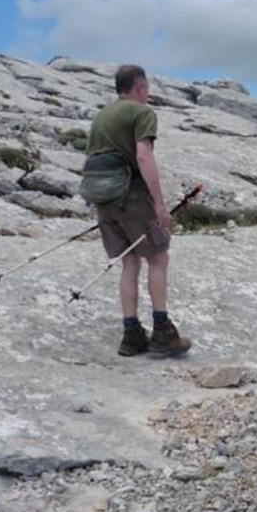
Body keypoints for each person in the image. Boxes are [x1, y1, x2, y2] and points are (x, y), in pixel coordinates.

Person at [84, 65, 191, 357]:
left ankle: (131, 335)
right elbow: (143, 156)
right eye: (147, 87)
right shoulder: (142, 113)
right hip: (129, 194)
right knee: (158, 257)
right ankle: (162, 333)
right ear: (140, 85)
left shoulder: (102, 116)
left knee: (129, 262)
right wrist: (158, 204)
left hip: (101, 195)